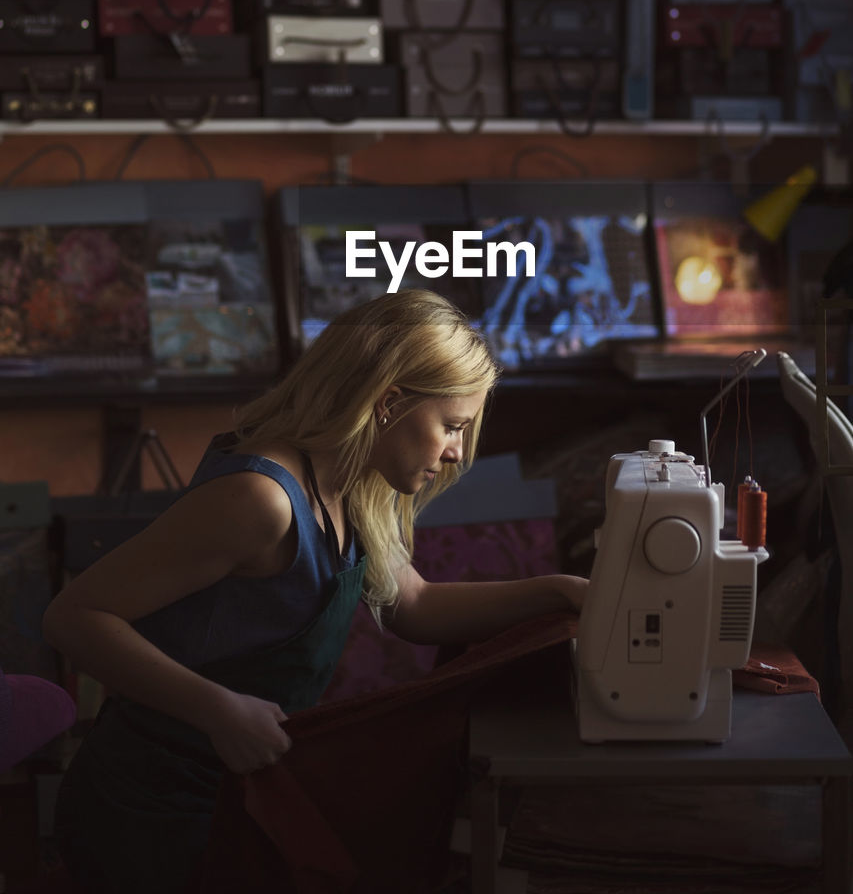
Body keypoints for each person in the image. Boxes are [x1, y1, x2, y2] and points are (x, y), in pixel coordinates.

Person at [43, 289, 586, 894]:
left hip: (233, 790)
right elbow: (74, 616)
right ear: (388, 403)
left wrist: (560, 591)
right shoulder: (262, 500)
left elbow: (414, 606)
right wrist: (217, 709)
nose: (457, 451)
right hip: (148, 809)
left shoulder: (353, 487)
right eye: (452, 426)